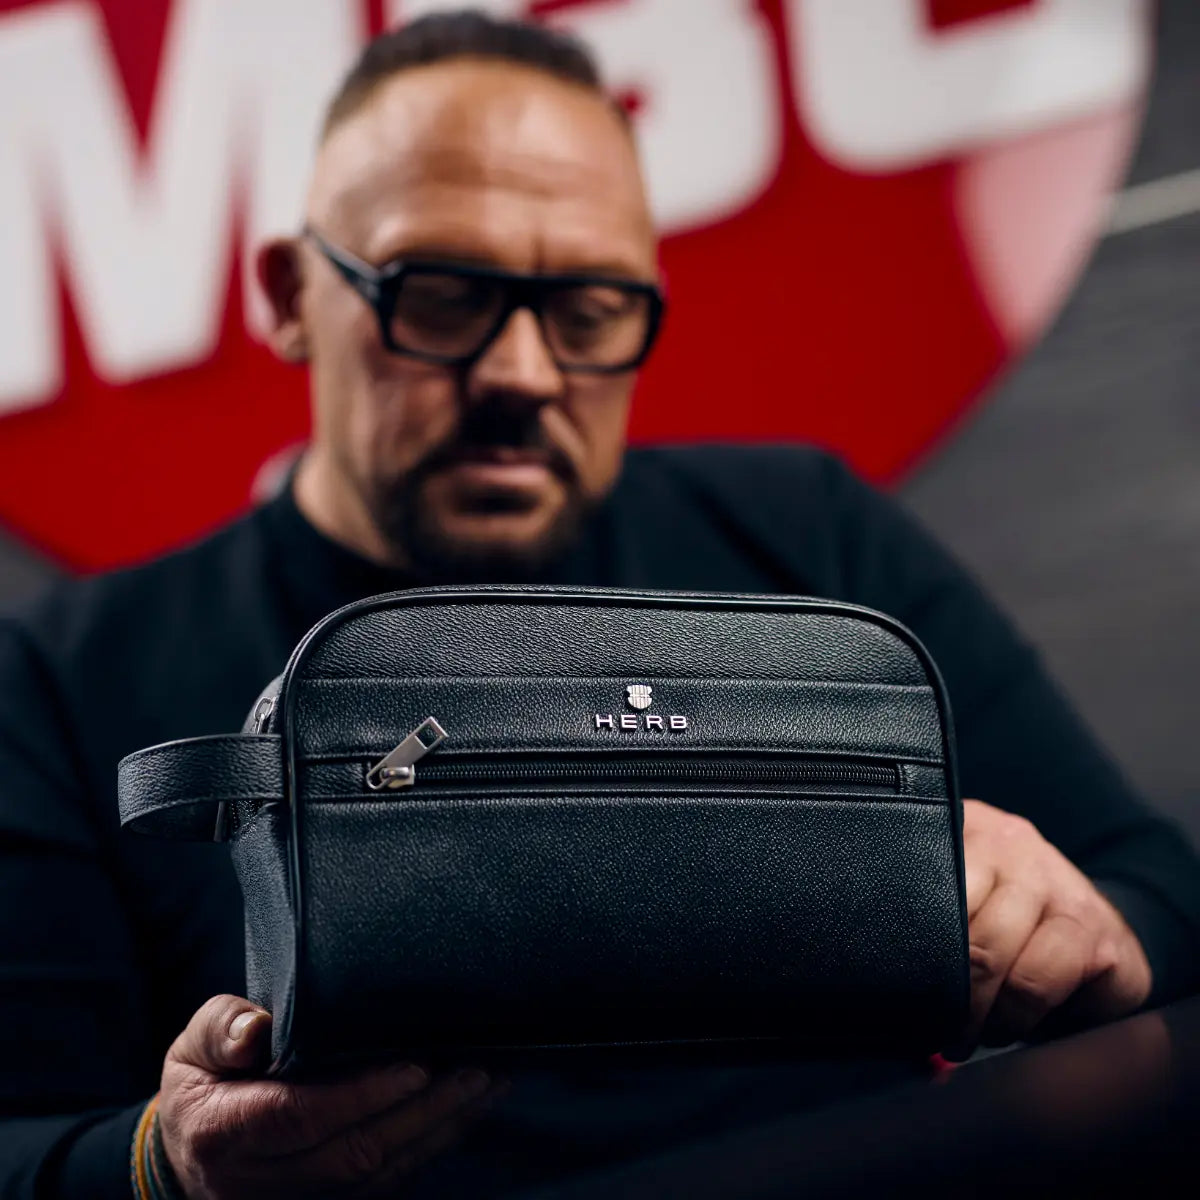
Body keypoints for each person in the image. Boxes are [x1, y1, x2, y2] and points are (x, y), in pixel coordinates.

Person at [1, 11, 1197, 1198]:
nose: (523, 373)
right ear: (288, 294)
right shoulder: (63, 677)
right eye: (444, 295)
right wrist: (161, 1164)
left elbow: (1157, 886)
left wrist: (1080, 922)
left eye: (588, 310)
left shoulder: (803, 528)